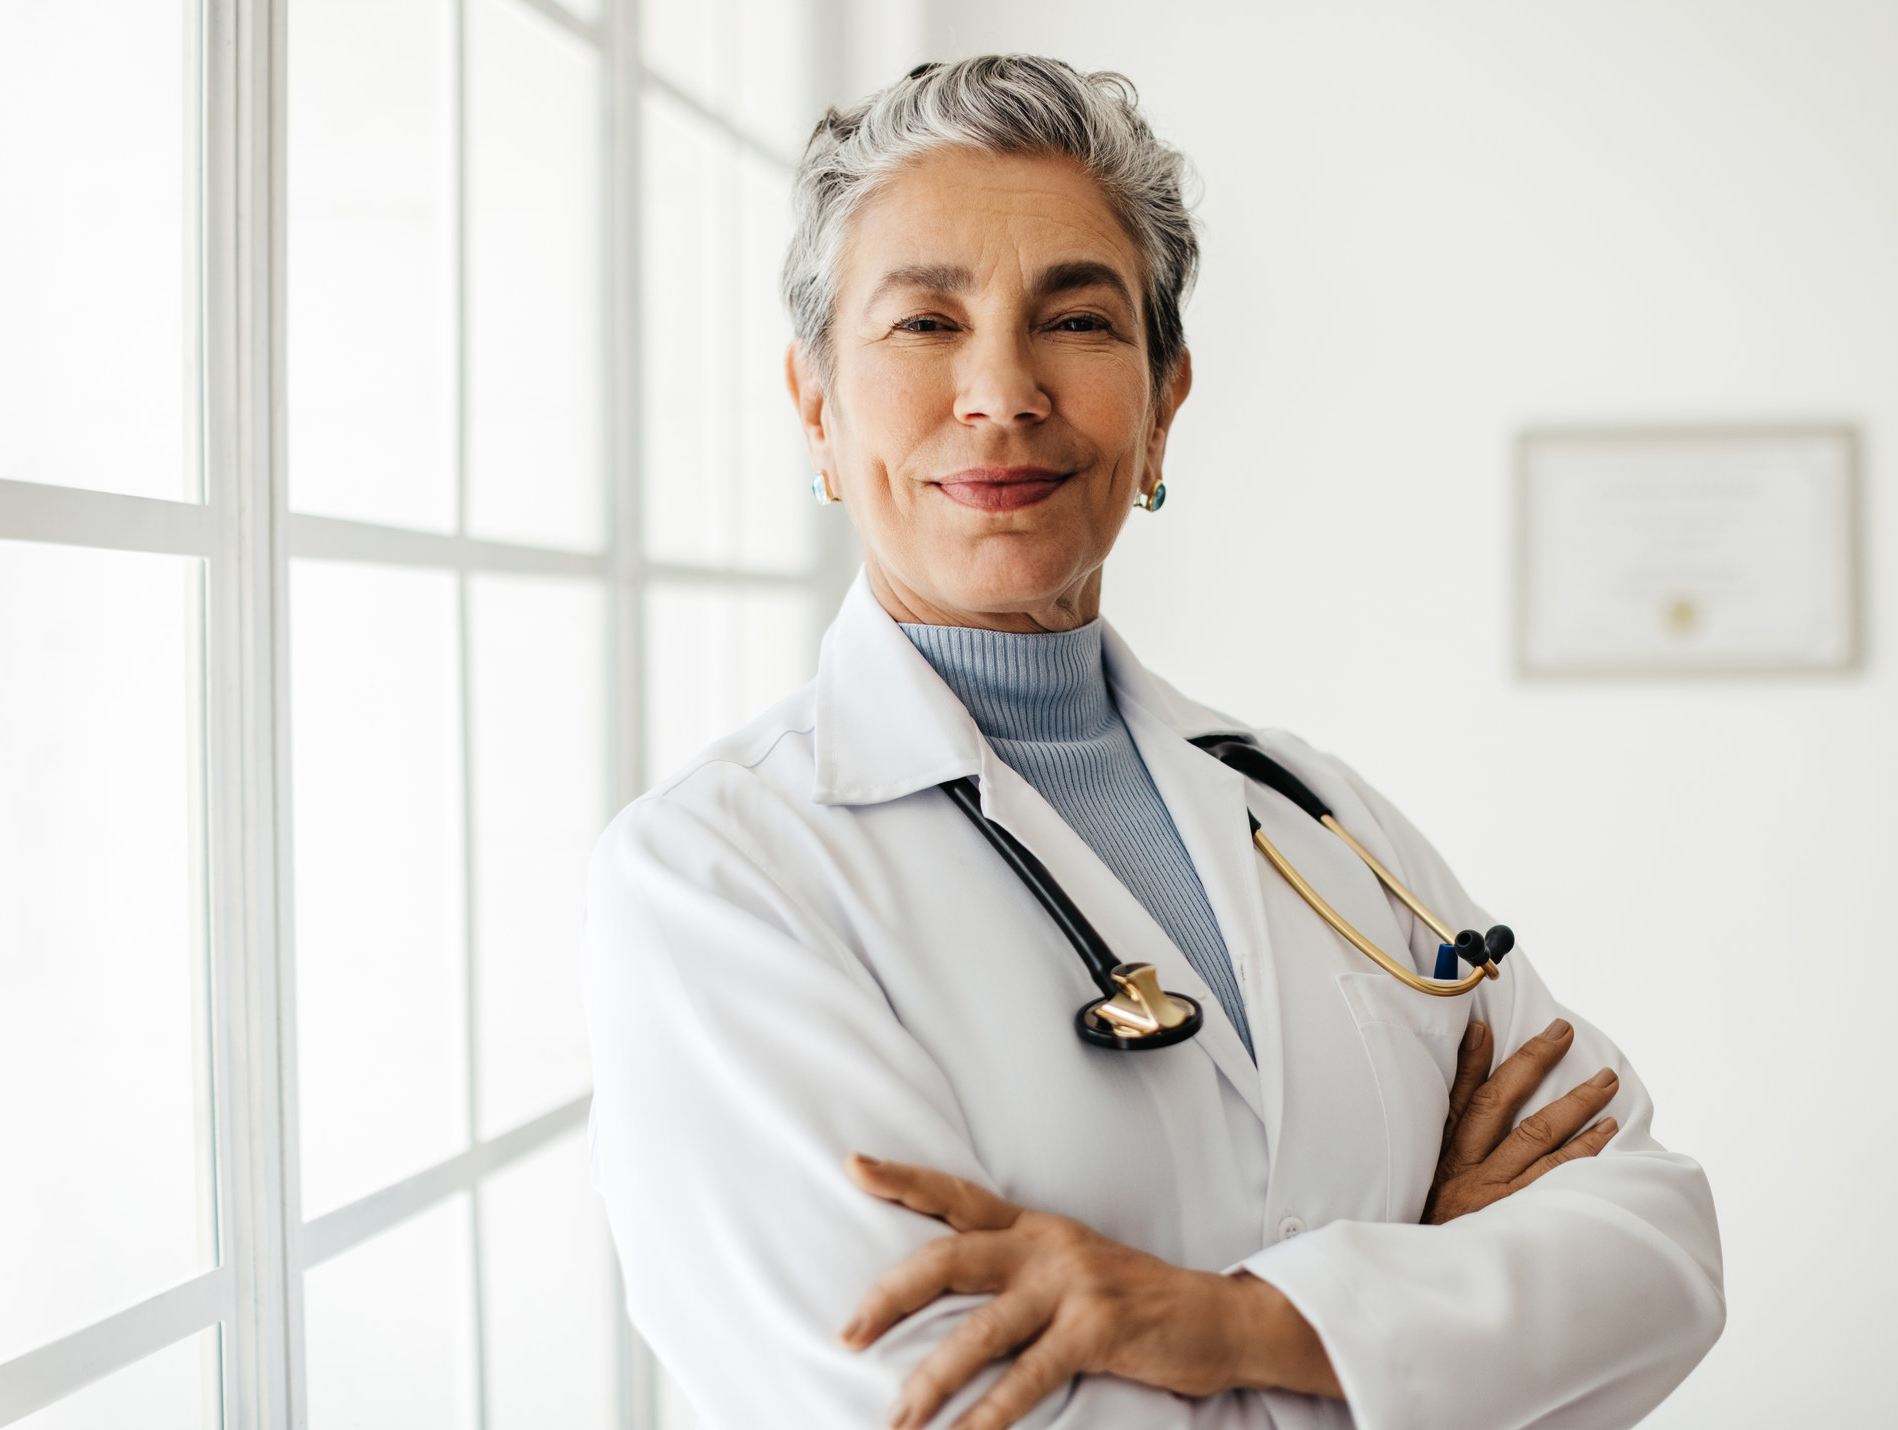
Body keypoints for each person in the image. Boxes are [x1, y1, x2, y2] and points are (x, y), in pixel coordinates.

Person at [581, 56, 1722, 1430]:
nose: (1001, 391)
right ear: (816, 404)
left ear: (1165, 398)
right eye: (926, 322)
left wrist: (1237, 1323)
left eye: (1075, 318)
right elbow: (932, 1411)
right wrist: (1422, 1309)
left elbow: (1659, 1245)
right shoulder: (719, 878)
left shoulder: (1305, 804)